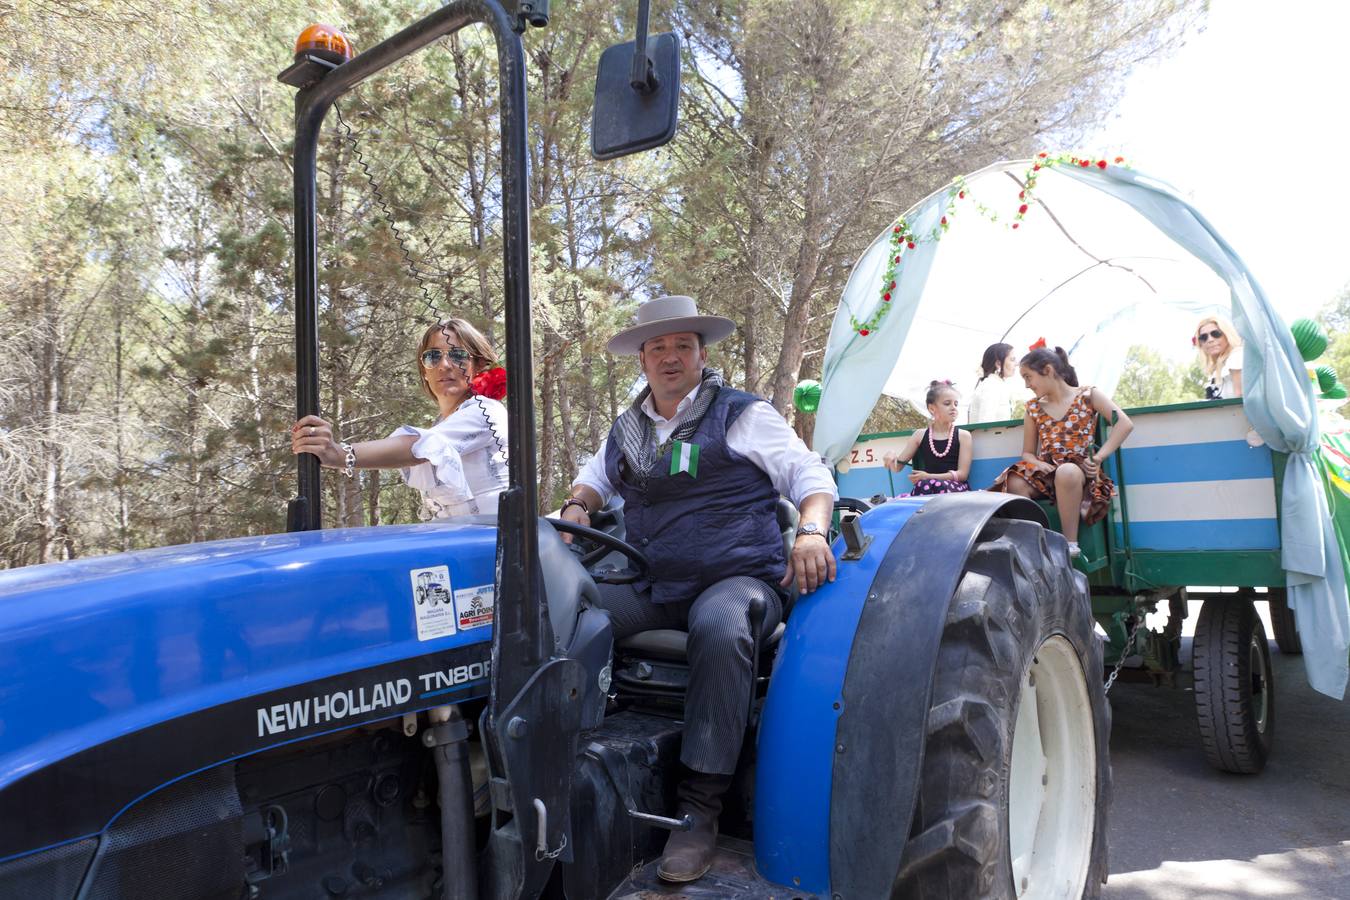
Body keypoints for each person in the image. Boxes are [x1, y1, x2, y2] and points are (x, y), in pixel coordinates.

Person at [560, 295, 837, 884]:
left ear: (699, 354)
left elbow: (809, 475)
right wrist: (578, 508)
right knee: (563, 612)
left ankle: (700, 809)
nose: (669, 357)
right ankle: (559, 759)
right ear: (642, 360)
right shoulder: (629, 428)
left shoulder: (740, 413)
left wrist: (811, 531)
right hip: (658, 584)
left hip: (740, 579)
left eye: (681, 345)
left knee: (719, 621)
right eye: (657, 347)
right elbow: (592, 480)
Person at [291, 318, 508, 518]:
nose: (444, 365)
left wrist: (339, 454)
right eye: (433, 357)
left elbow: (420, 446)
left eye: (457, 355)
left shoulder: (486, 411)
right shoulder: (441, 424)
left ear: (479, 366)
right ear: (424, 370)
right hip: (459, 545)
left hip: (495, 545)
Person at [990, 346, 1133, 557]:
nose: (1027, 385)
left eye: (1029, 377)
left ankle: (1070, 543)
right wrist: (1038, 463)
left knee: (1066, 471)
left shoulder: (1088, 395)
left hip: (1078, 468)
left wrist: (1099, 457)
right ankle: (1039, 541)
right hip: (1047, 471)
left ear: (1048, 370)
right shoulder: (1033, 408)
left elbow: (1124, 423)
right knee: (1013, 480)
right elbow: (1028, 453)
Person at [882, 380, 972, 495]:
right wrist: (891, 455)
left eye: (956, 404)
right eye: (947, 403)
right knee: (924, 485)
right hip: (928, 488)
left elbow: (962, 475)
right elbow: (897, 467)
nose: (953, 408)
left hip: (955, 489)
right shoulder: (919, 435)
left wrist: (928, 476)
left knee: (927, 484)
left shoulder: (963, 436)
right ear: (932, 408)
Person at [968, 341, 1018, 423]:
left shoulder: (996, 383)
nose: (1016, 364)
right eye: (1012, 360)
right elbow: (985, 423)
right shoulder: (991, 385)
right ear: (998, 363)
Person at [1196, 315, 1243, 400]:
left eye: (1216, 334)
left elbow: (1240, 397)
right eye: (1203, 337)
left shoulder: (1237, 355)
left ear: (1227, 335)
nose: (1210, 340)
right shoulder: (1215, 367)